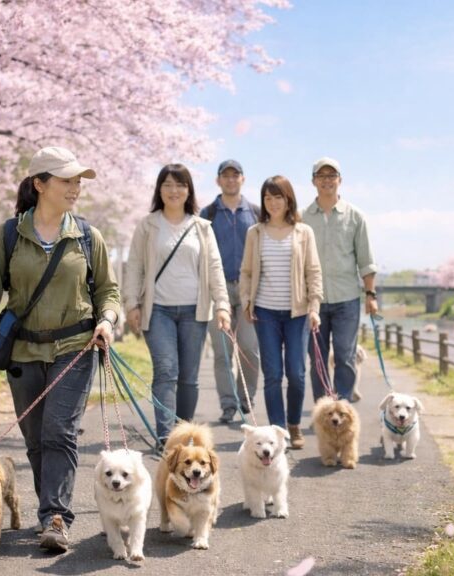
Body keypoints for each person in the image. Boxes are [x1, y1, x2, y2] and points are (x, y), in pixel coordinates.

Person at [0, 146, 121, 553]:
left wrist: (107, 319)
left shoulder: (87, 236)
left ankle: (55, 517)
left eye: (78, 181)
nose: (75, 187)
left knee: (59, 431)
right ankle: (49, 508)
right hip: (23, 351)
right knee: (35, 439)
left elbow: (108, 290)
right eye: (67, 180)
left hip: (75, 347)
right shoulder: (9, 235)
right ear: (40, 184)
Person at [123, 164, 231, 444]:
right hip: (158, 309)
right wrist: (131, 304)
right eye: (168, 184)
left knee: (188, 377)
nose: (174, 190)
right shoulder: (148, 225)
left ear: (189, 190)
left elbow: (215, 267)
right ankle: (166, 438)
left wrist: (222, 305)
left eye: (180, 185)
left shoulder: (201, 227)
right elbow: (134, 266)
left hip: (195, 310)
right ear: (159, 190)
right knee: (166, 370)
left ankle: (184, 438)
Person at [239, 176, 322, 449]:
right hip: (265, 313)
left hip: (297, 313)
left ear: (288, 200)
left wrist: (314, 307)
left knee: (296, 373)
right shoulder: (255, 233)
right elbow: (246, 272)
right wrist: (247, 301)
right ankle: (278, 431)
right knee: (273, 374)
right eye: (268, 198)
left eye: (278, 197)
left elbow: (313, 272)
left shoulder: (303, 232)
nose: (273, 203)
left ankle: (294, 423)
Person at [301, 157, 378, 402]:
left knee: (345, 355)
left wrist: (370, 295)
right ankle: (323, 406)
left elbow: (365, 260)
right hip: (313, 301)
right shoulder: (302, 217)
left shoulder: (355, 216)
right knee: (318, 358)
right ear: (313, 181)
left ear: (340, 180)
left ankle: (342, 405)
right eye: (321, 176)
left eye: (331, 176)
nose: (327, 180)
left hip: (347, 299)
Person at [200, 159, 261, 424]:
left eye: (235, 175)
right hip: (218, 289)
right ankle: (228, 404)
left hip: (249, 290)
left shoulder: (256, 212)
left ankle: (246, 399)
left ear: (242, 179)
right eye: (225, 175)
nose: (230, 179)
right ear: (218, 180)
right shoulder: (208, 213)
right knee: (223, 352)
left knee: (249, 348)